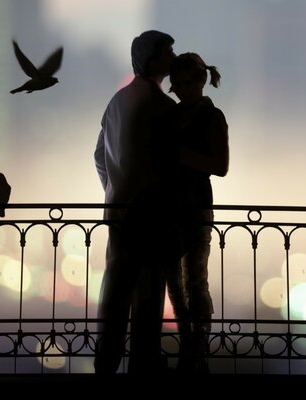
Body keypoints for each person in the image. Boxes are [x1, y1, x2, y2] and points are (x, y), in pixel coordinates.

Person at [93, 30, 178, 375]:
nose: (173, 57)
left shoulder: (117, 101)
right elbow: (172, 162)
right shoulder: (163, 106)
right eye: (168, 52)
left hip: (118, 212)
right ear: (154, 59)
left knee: (114, 294)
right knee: (148, 296)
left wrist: (113, 189)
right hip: (151, 214)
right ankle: (141, 367)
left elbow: (99, 155)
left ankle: (105, 363)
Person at [166, 52, 230, 373]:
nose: (179, 89)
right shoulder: (178, 115)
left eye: (183, 84)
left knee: (194, 280)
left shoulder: (211, 117)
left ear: (199, 82)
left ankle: (196, 351)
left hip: (194, 209)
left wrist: (179, 155)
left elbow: (220, 166)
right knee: (177, 283)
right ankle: (192, 347)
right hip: (174, 208)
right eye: (176, 84)